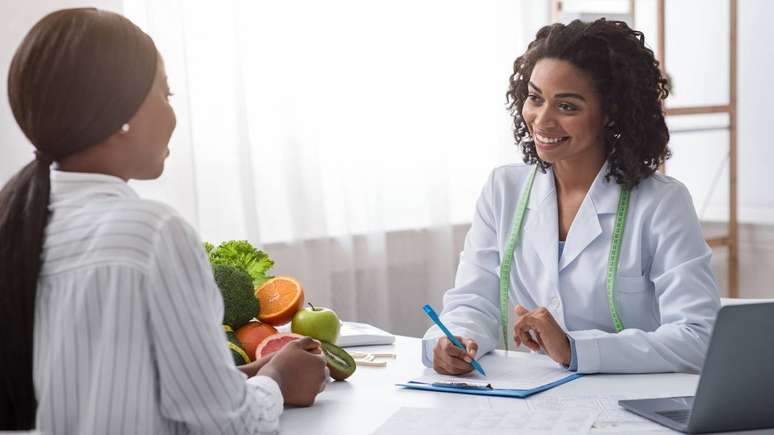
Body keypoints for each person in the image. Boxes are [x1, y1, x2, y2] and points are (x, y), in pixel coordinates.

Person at [0, 8, 328, 433]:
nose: (173, 114)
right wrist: (278, 380)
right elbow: (228, 427)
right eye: (166, 93)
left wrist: (241, 379)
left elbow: (102, 397)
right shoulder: (151, 233)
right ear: (121, 112)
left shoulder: (17, 223)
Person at [423, 19, 720, 375]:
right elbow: (474, 300)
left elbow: (698, 337)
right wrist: (456, 339)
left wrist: (574, 349)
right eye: (535, 99)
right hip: (535, 400)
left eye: (567, 107)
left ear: (611, 113)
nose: (542, 121)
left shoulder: (661, 204)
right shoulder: (503, 190)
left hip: (630, 407)